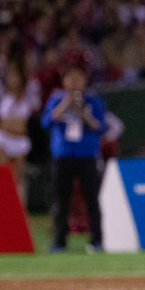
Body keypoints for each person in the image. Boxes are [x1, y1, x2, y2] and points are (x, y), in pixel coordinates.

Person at [41, 56, 107, 253]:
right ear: (64, 81)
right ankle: (59, 242)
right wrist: (66, 103)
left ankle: (97, 240)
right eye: (71, 78)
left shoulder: (93, 101)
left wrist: (84, 113)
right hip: (63, 157)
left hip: (87, 157)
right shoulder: (56, 100)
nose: (75, 82)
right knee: (61, 201)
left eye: (79, 78)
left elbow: (101, 126)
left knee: (92, 200)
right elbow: (46, 123)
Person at [0, 62, 41, 207]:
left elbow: (24, 119)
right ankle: (0, 207)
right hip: (3, 139)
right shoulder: (3, 94)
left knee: (18, 179)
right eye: (11, 76)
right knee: (3, 176)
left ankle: (18, 209)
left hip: (19, 141)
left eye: (16, 76)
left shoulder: (28, 95)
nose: (13, 80)